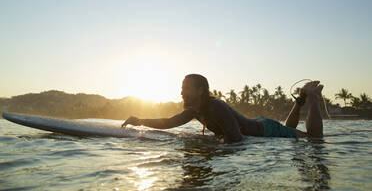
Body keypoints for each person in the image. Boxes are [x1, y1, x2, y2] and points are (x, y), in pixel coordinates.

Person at [122, 74, 324, 143]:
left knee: (313, 138)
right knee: (290, 132)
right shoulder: (194, 110)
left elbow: (235, 138)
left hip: (267, 130)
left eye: (186, 89)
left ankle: (313, 97)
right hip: (263, 125)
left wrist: (211, 144)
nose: (181, 93)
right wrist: (139, 120)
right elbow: (170, 122)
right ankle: (300, 100)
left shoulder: (216, 107)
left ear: (201, 90)